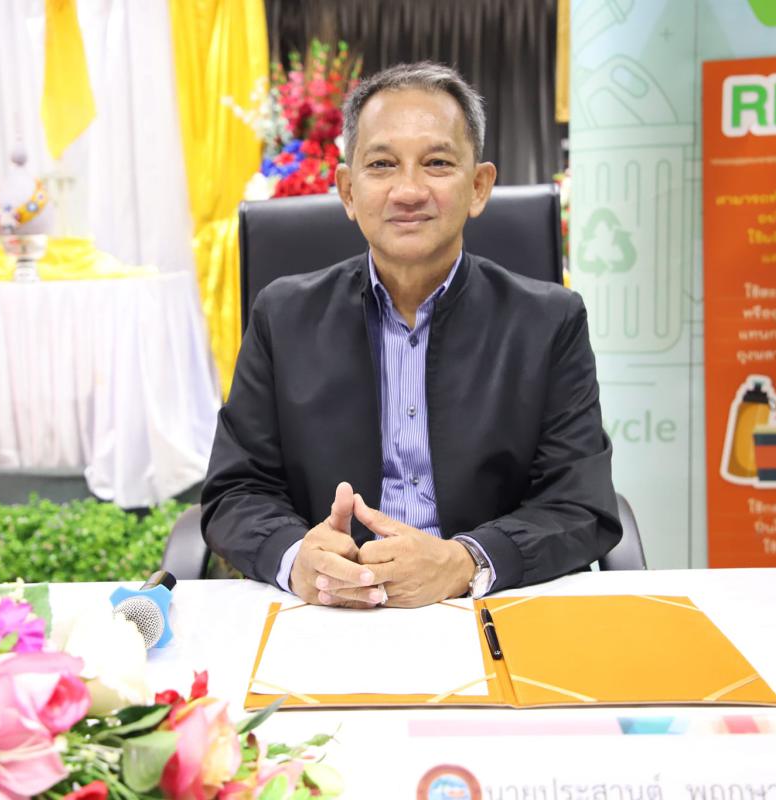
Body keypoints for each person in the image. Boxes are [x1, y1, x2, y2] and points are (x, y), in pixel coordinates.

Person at [201, 62, 621, 609]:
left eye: (437, 163)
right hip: (329, 613)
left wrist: (466, 561)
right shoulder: (282, 317)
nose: (408, 190)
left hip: (485, 604)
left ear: (479, 186)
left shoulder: (549, 322)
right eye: (382, 164)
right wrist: (297, 557)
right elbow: (235, 491)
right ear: (348, 191)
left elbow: (580, 504)